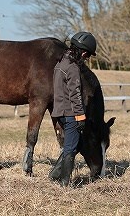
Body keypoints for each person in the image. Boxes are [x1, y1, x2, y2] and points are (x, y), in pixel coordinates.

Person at [49, 31, 97, 187]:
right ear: (83, 51)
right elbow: (75, 94)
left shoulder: (60, 63)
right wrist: (80, 116)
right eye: (87, 55)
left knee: (72, 144)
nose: (86, 58)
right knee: (70, 147)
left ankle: (55, 175)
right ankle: (65, 183)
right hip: (71, 114)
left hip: (59, 112)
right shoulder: (73, 67)